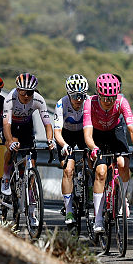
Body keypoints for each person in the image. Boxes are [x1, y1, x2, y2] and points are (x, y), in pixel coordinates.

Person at [83, 73, 133, 235]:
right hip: (97, 135)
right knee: (101, 172)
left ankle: (123, 198)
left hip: (115, 132)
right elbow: (88, 134)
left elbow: (132, 129)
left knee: (123, 163)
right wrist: (94, 148)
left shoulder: (122, 101)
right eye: (105, 98)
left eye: (112, 98)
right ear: (98, 94)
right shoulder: (90, 102)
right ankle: (98, 219)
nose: (109, 102)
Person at [0, 73, 56, 198]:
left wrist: (50, 140)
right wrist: (10, 141)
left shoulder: (38, 99)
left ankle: (30, 195)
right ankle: (6, 178)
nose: (26, 96)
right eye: (23, 92)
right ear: (18, 90)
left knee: (32, 160)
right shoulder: (10, 99)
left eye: (29, 93)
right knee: (11, 145)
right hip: (11, 126)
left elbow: (47, 124)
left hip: (26, 125)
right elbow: (6, 125)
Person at [54, 74, 90, 226]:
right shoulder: (61, 104)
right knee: (68, 170)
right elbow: (57, 132)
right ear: (69, 94)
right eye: (75, 96)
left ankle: (89, 193)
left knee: (92, 162)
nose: (79, 99)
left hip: (84, 134)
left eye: (81, 95)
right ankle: (68, 209)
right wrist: (64, 145)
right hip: (66, 135)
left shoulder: (89, 102)